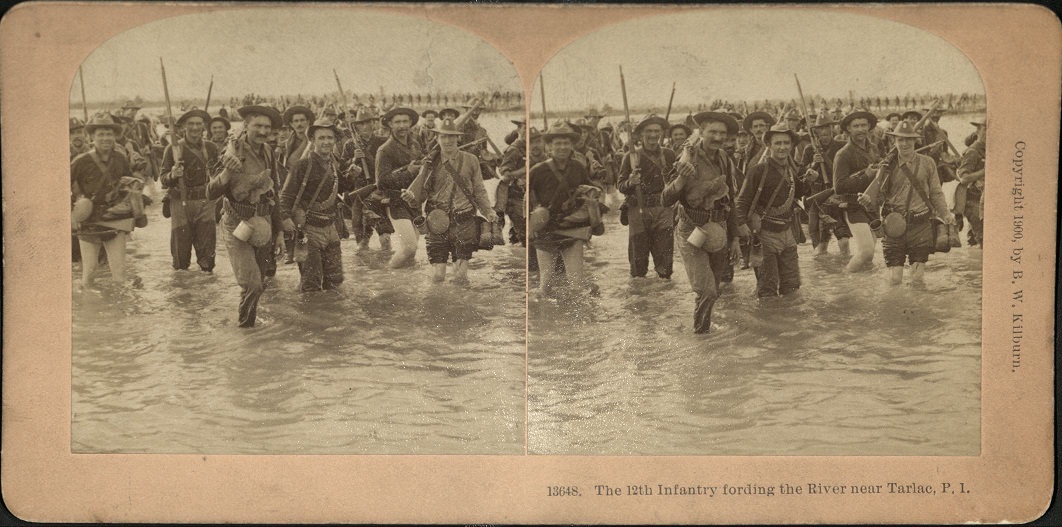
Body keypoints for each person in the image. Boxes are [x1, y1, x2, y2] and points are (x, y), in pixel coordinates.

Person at [664, 112, 741, 333]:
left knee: (714, 289)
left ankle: (703, 331)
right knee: (706, 290)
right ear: (702, 132)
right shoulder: (688, 157)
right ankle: (700, 336)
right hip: (691, 229)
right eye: (712, 132)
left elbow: (731, 200)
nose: (717, 137)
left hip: (718, 229)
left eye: (722, 133)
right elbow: (665, 199)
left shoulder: (725, 159)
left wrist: (734, 238)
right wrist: (681, 178)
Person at [209, 105, 285, 328]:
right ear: (245, 126)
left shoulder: (269, 151)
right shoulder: (231, 150)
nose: (262, 131)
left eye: (267, 127)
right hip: (236, 223)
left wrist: (279, 232)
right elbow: (210, 192)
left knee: (260, 281)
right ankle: (245, 330)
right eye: (257, 126)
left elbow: (275, 194)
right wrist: (227, 172)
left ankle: (250, 331)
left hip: (263, 223)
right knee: (252, 285)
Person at [858, 121, 953, 286]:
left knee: (917, 280)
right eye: (900, 140)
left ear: (915, 140)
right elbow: (878, 200)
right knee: (895, 279)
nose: (905, 143)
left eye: (908, 139)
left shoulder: (928, 163)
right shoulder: (886, 167)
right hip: (893, 227)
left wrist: (945, 213)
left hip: (921, 226)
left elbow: (936, 193)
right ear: (894, 142)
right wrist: (867, 203)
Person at [402, 118, 497, 283]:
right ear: (437, 139)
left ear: (458, 138)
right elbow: (420, 196)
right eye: (444, 137)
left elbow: (479, 191)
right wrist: (411, 198)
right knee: (438, 275)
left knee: (460, 276)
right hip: (437, 221)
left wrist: (488, 211)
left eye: (452, 136)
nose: (448, 140)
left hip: (464, 222)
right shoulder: (429, 163)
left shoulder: (471, 160)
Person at [280, 119, 358, 291]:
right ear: (313, 141)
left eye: (330, 138)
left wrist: (351, 176)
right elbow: (285, 196)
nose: (326, 142)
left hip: (331, 228)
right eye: (321, 138)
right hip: (308, 229)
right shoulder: (302, 165)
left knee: (335, 282)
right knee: (311, 284)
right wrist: (285, 219)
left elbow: (339, 188)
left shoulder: (332, 163)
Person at [70, 113, 146, 287]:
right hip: (89, 219)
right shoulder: (81, 161)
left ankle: (118, 312)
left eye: (109, 134)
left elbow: (127, 184)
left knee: (119, 275)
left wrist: (137, 185)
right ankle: (89, 311)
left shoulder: (120, 158)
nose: (106, 138)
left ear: (115, 136)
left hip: (115, 218)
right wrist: (72, 215)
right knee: (90, 273)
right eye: (101, 134)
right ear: (92, 137)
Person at [735, 124, 809, 297]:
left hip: (787, 233)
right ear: (769, 145)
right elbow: (743, 200)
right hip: (765, 234)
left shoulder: (790, 171)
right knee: (767, 288)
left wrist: (808, 181)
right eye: (777, 143)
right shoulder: (757, 171)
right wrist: (740, 224)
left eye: (786, 143)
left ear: (791, 146)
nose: (782, 147)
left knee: (792, 286)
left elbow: (798, 194)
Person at [528, 122, 597, 297]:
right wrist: (530, 227)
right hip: (546, 229)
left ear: (572, 145)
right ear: (549, 146)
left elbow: (589, 191)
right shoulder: (538, 170)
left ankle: (575, 322)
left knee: (576, 285)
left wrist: (592, 203)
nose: (562, 147)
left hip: (572, 228)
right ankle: (544, 318)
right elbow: (527, 200)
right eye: (557, 143)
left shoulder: (578, 167)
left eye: (566, 143)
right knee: (546, 284)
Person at [160, 109, 220, 272]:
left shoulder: (211, 148)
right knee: (180, 257)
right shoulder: (172, 149)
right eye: (191, 124)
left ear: (204, 127)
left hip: (205, 202)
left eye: (198, 124)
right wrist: (173, 174)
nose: (195, 127)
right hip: (180, 203)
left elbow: (219, 175)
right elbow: (163, 178)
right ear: (184, 127)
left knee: (208, 256)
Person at [618, 114, 678, 279]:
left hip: (663, 209)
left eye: (656, 131)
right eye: (648, 131)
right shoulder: (630, 157)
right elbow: (620, 186)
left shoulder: (669, 155)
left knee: (665, 264)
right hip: (638, 210)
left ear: (661, 134)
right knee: (638, 266)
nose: (653, 135)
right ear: (640, 134)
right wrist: (631, 182)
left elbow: (677, 182)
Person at [375, 106, 426, 268]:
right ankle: (388, 274)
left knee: (412, 250)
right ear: (390, 124)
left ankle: (406, 285)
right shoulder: (385, 150)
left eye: (405, 121)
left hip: (414, 202)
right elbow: (381, 182)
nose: (402, 125)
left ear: (411, 123)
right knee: (409, 247)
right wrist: (409, 172)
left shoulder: (416, 145)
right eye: (397, 122)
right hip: (396, 203)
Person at [832, 109, 881, 273]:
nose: (860, 129)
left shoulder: (873, 148)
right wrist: (866, 177)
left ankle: (865, 290)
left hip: (872, 206)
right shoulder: (843, 154)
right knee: (866, 251)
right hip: (853, 206)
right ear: (848, 129)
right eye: (856, 126)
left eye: (864, 125)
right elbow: (839, 186)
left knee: (870, 254)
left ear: (869, 127)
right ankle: (845, 280)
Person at [341, 107, 393, 251]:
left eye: (367, 123)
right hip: (359, 192)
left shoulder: (382, 142)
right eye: (361, 123)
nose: (364, 126)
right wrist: (354, 159)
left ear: (373, 124)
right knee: (362, 241)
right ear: (356, 126)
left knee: (385, 237)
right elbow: (342, 168)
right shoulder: (350, 145)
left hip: (377, 190)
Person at [800, 112, 850, 256]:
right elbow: (801, 171)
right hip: (818, 198)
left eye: (828, 127)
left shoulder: (841, 147)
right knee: (821, 245)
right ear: (816, 131)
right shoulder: (810, 149)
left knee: (844, 240)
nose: (825, 131)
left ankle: (845, 272)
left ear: (832, 128)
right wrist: (813, 164)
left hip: (836, 194)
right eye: (821, 128)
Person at [495, 122, 529, 246]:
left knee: (519, 237)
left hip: (525, 197)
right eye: (525, 128)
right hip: (515, 198)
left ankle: (515, 259)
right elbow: (505, 175)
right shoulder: (514, 150)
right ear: (519, 129)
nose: (528, 131)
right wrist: (524, 170)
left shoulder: (528, 147)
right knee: (525, 237)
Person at [956, 117, 986, 246]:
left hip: (984, 202)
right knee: (984, 241)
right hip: (974, 202)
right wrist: (985, 171)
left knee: (976, 242)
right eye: (986, 129)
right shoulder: (972, 152)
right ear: (978, 130)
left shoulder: (992, 150)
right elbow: (964, 178)